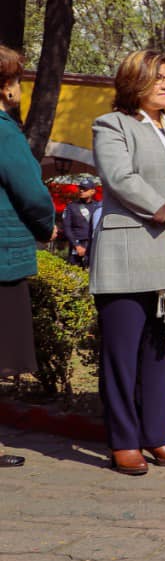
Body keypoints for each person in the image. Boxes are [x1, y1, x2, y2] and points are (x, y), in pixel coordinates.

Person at [90, 51, 165, 475]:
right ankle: (124, 441)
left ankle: (156, 435)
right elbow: (122, 179)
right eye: (158, 78)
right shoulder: (112, 125)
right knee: (122, 355)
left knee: (159, 353)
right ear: (133, 81)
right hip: (127, 254)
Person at [0, 46, 56, 468]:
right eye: (17, 79)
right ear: (6, 87)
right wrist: (45, 225)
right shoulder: (3, 131)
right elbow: (31, 191)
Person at [62, 178, 99, 267]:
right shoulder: (71, 206)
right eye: (81, 188)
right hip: (77, 245)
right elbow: (67, 228)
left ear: (92, 191)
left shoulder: (98, 207)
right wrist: (76, 245)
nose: (82, 191)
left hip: (94, 245)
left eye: (85, 189)